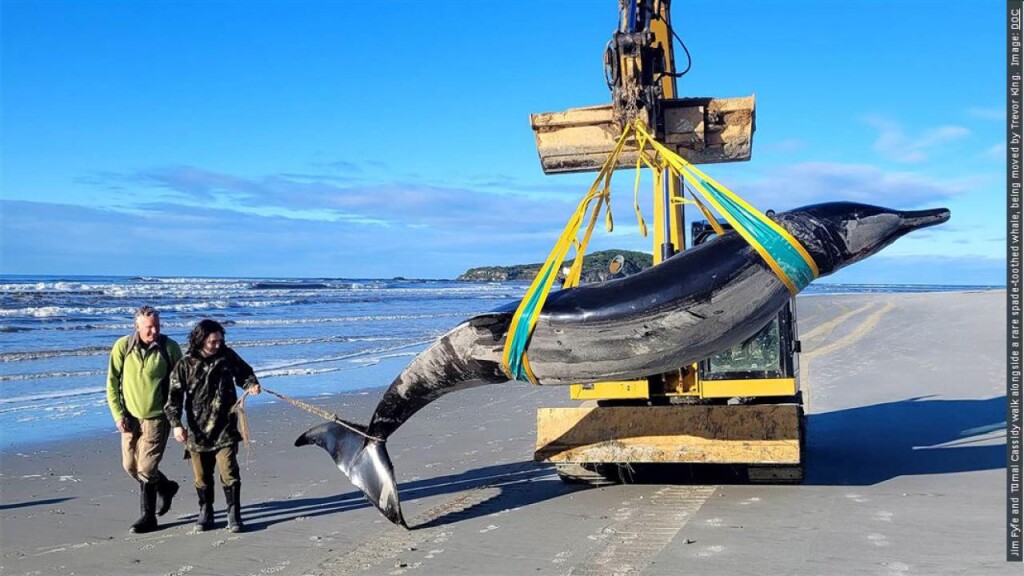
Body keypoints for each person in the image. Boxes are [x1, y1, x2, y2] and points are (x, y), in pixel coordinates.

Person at [166, 319, 261, 533]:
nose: (218, 344)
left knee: (229, 471)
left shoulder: (227, 356)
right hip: (197, 432)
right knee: (201, 476)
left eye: (220, 340)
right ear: (200, 340)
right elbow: (173, 398)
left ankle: (233, 514)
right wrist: (176, 425)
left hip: (226, 427)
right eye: (213, 341)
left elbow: (245, 373)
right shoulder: (185, 364)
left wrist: (251, 385)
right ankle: (206, 511)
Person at [105, 305, 183, 533]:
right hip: (129, 418)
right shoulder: (123, 346)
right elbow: (112, 383)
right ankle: (166, 487)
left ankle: (148, 517)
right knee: (130, 466)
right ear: (137, 326)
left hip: (157, 418)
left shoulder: (170, 348)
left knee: (147, 468)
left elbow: (179, 385)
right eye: (149, 327)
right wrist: (118, 415)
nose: (154, 331)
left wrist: (176, 418)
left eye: (157, 326)